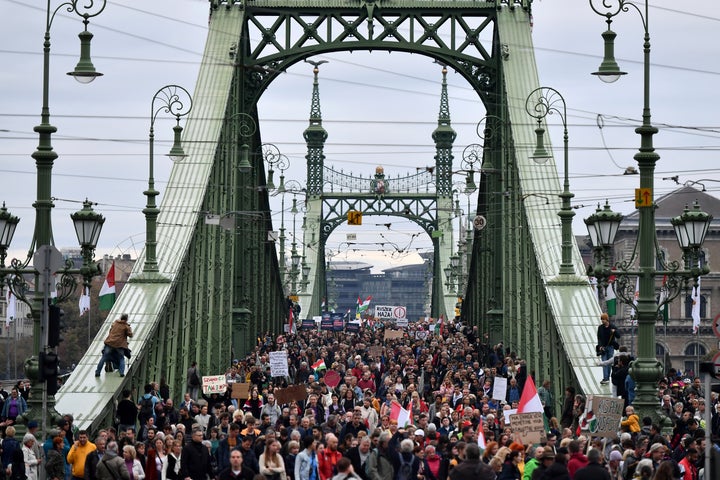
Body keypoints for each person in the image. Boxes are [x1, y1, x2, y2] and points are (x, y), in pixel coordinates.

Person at [95, 313, 133, 377]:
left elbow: (110, 331)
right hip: (119, 345)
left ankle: (98, 372)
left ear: (121, 318)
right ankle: (121, 373)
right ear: (126, 319)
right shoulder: (126, 326)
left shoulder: (115, 323)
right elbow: (130, 335)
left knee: (104, 357)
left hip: (110, 343)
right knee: (121, 358)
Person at [596, 313, 619, 385]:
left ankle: (607, 377)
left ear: (607, 319)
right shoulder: (600, 328)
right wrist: (600, 346)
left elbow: (618, 336)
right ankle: (605, 378)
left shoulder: (612, 327)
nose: (602, 321)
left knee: (609, 363)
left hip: (611, 347)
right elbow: (599, 338)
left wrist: (614, 331)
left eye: (603, 319)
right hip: (603, 348)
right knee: (604, 362)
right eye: (601, 319)